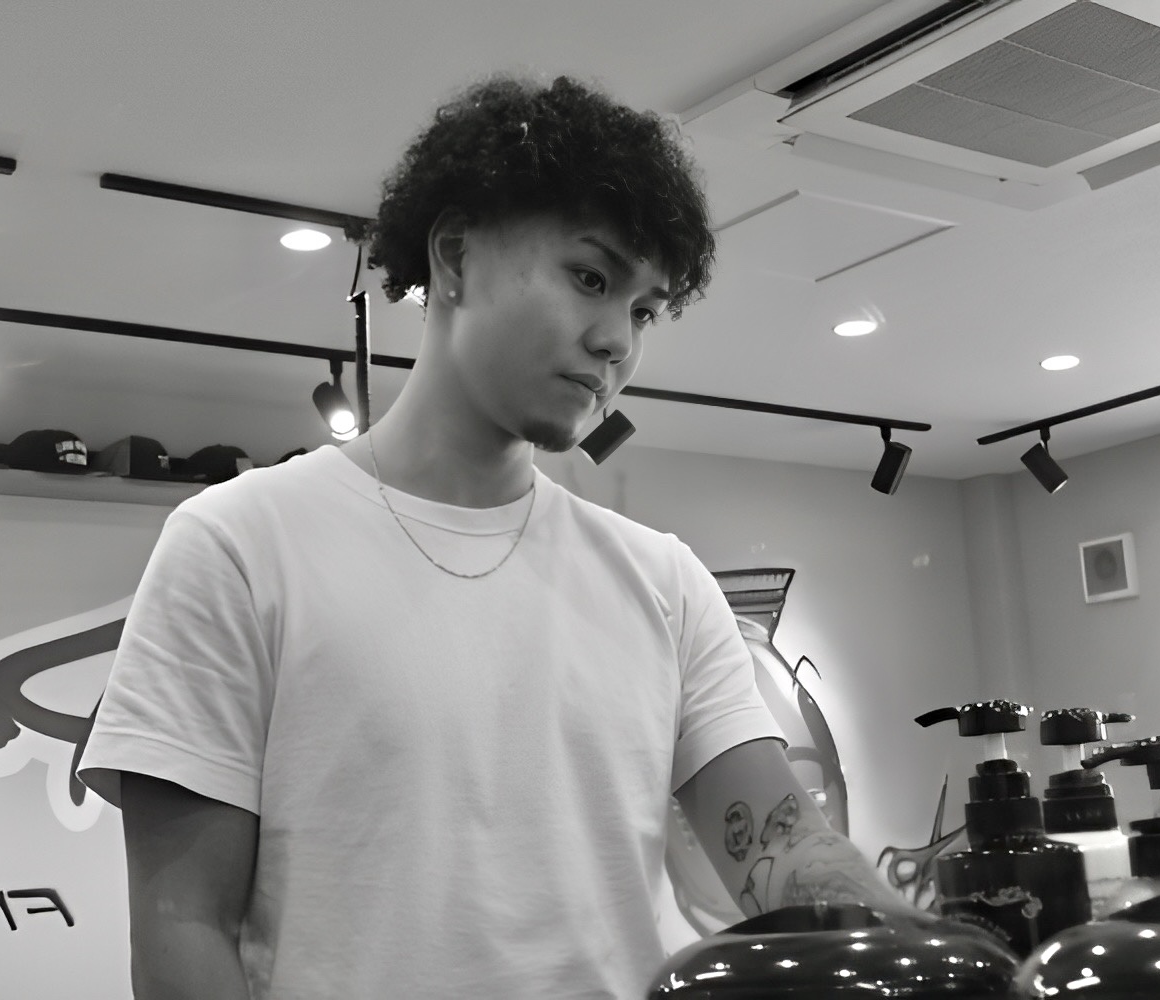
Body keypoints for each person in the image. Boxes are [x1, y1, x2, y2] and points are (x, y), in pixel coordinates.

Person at [78, 74, 922, 1000]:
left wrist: (942, 955)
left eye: (644, 310)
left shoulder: (665, 583)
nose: (618, 341)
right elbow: (184, 927)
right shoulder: (238, 545)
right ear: (454, 256)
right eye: (591, 278)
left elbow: (785, 852)